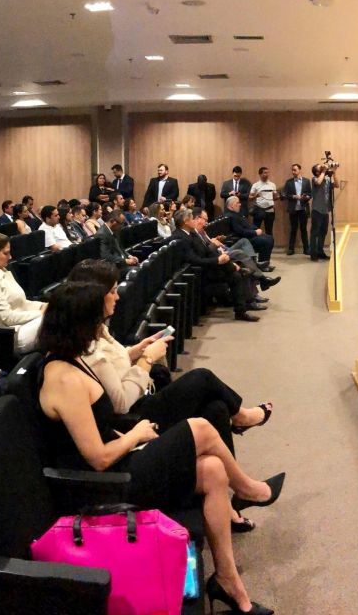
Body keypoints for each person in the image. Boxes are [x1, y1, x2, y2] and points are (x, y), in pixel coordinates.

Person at [37, 281, 281, 615]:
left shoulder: (72, 361)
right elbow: (98, 458)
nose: (100, 328)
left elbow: (100, 427)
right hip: (106, 485)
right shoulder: (63, 379)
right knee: (200, 428)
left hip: (120, 460)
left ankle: (227, 581)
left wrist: (132, 436)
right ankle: (249, 490)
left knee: (212, 470)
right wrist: (135, 435)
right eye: (95, 321)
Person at [69, 260, 271, 452]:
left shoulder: (96, 328)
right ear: (95, 296)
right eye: (113, 291)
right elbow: (121, 403)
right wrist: (146, 359)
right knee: (202, 377)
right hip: (133, 417)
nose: (118, 297)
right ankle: (242, 416)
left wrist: (136, 350)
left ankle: (231, 473)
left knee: (216, 408)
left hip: (140, 397)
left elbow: (114, 363)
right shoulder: (87, 346)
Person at [176, 208, 260, 322]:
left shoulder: (191, 234)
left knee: (235, 275)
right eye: (192, 219)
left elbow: (206, 251)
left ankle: (241, 310)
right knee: (235, 272)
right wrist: (217, 261)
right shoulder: (182, 237)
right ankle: (244, 301)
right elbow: (194, 260)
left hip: (205, 268)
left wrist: (221, 259)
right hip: (198, 274)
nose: (195, 221)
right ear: (186, 222)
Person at [223, 197, 274, 269]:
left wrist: (256, 229)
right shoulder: (230, 216)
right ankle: (262, 265)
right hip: (241, 239)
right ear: (231, 205)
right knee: (266, 240)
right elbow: (240, 232)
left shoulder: (237, 214)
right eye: (237, 203)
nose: (240, 204)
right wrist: (255, 232)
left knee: (269, 238)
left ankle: (264, 263)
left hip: (247, 236)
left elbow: (248, 225)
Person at [280, 163, 310, 255]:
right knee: (293, 229)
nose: (293, 172)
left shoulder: (306, 181)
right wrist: (293, 196)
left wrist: (306, 197)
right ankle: (291, 248)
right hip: (293, 209)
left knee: (303, 229)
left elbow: (310, 194)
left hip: (303, 208)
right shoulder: (289, 182)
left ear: (299, 170)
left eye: (295, 170)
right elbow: (284, 194)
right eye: (292, 170)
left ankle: (306, 249)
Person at [308, 163, 336, 261]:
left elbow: (336, 185)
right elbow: (319, 182)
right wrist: (324, 171)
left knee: (323, 232)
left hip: (325, 210)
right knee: (315, 233)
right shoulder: (314, 179)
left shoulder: (327, 179)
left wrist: (334, 172)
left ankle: (320, 252)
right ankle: (313, 254)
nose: (323, 167)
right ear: (317, 172)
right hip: (317, 210)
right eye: (320, 167)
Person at [248, 167, 277, 235]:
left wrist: (277, 196)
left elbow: (275, 197)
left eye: (268, 173)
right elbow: (249, 198)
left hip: (270, 210)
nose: (267, 174)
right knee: (256, 230)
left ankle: (269, 242)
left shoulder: (272, 185)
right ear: (260, 174)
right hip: (259, 210)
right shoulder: (255, 185)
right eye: (265, 173)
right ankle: (256, 242)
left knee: (269, 231)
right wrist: (255, 196)